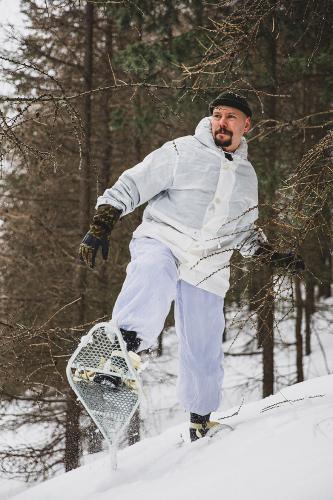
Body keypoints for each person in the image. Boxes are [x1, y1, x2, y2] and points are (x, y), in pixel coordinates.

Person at [79, 93, 304, 441]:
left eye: (231, 117)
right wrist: (102, 224)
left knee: (204, 339)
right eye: (217, 115)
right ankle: (123, 350)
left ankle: (201, 419)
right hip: (164, 239)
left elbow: (243, 231)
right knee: (153, 272)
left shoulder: (247, 176)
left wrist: (271, 256)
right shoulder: (182, 151)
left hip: (208, 263)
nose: (222, 122)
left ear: (247, 125)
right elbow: (134, 183)